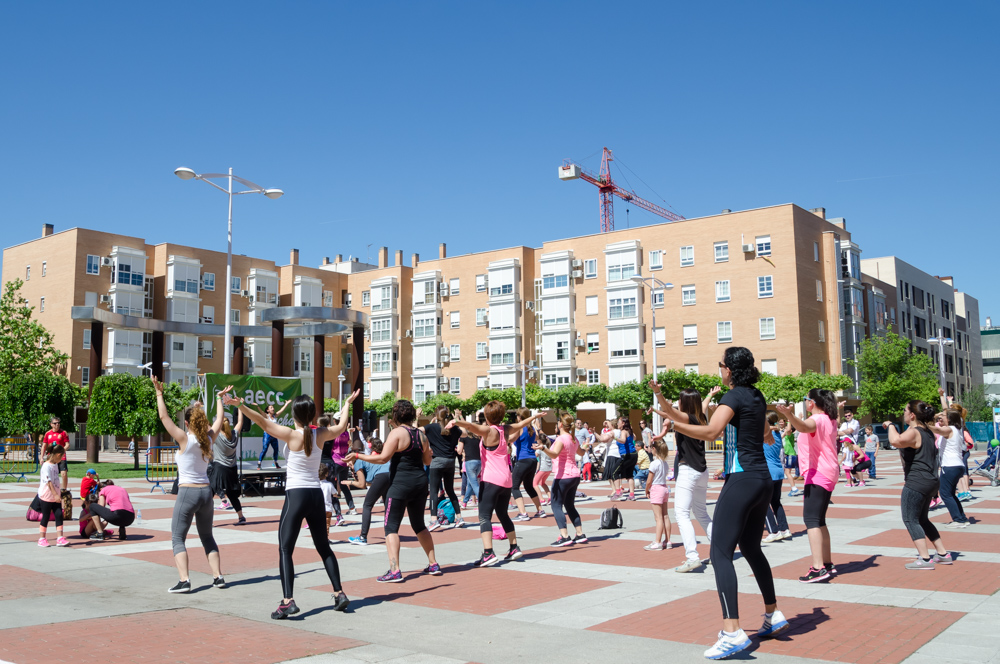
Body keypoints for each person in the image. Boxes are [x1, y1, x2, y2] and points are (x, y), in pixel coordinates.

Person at [653, 347, 787, 659]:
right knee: (751, 548)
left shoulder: (733, 396)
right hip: (763, 480)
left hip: (742, 479)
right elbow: (766, 432)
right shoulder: (755, 395)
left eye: (720, 365)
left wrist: (675, 426)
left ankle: (732, 632)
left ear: (729, 369)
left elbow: (712, 432)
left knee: (720, 553)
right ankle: (773, 613)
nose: (719, 370)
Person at [228, 390, 355, 615]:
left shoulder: (290, 434)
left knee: (286, 548)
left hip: (296, 495)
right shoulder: (320, 434)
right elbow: (343, 425)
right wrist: (346, 404)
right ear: (312, 415)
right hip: (316, 495)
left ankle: (288, 601)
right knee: (323, 547)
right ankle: (339, 593)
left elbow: (262, 422)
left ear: (294, 415)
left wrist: (240, 405)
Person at [345, 399, 441, 582]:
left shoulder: (397, 433)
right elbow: (427, 461)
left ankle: (395, 570)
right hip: (420, 483)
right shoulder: (421, 435)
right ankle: (433, 563)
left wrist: (357, 455)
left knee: (391, 527)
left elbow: (383, 458)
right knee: (419, 525)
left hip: (400, 485)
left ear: (396, 415)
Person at [154, 377, 229, 593]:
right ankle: (218, 577)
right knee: (207, 536)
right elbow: (219, 418)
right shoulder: (208, 438)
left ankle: (184, 580)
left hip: (188, 492)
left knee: (178, 537)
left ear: (186, 423)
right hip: (206, 493)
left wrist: (159, 393)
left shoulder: (184, 439)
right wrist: (219, 399)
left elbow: (164, 417)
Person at [451, 404, 544, 567]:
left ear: (487, 417)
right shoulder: (505, 429)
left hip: (491, 480)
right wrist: (535, 417)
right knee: (503, 514)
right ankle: (514, 547)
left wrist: (455, 421)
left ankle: (488, 553)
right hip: (506, 481)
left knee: (484, 516)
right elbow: (521, 424)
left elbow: (470, 426)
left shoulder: (488, 431)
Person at [775, 389, 840, 583]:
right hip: (827, 472)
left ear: (812, 402)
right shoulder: (829, 419)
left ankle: (818, 568)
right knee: (819, 520)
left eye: (806, 399)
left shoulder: (818, 419)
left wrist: (789, 415)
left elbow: (804, 427)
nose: (805, 402)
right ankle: (827, 563)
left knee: (811, 520)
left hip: (819, 473)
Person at [651, 387, 714, 574]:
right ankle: (720, 551)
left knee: (682, 514)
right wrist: (710, 395)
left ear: (684, 403)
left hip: (688, 471)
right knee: (701, 513)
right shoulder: (701, 417)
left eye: (680, 399)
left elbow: (669, 411)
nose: (678, 402)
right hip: (702, 471)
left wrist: (658, 393)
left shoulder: (686, 418)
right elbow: (701, 406)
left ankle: (692, 557)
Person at [885, 401, 953, 569]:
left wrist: (891, 425)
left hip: (917, 482)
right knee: (922, 519)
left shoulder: (916, 432)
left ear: (912, 415)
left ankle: (925, 559)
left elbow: (895, 441)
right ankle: (943, 554)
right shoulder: (927, 431)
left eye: (905, 410)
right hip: (930, 481)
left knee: (910, 519)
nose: (903, 413)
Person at [534, 414, 586, 546]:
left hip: (563, 476)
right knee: (570, 505)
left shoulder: (561, 439)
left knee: (556, 505)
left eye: (557, 423)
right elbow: (581, 453)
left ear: (561, 425)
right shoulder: (572, 438)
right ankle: (580, 534)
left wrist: (543, 448)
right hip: (574, 476)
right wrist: (586, 447)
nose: (556, 425)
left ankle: (564, 536)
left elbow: (554, 454)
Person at [422, 407, 467, 530]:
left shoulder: (431, 427)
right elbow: (465, 433)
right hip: (450, 462)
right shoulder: (454, 428)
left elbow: (415, 430)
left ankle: (434, 520)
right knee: (450, 490)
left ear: (436, 416)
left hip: (437, 461)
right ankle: (459, 517)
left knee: (434, 491)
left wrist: (417, 418)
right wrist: (457, 419)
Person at [930, 407, 969, 529]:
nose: (940, 417)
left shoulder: (950, 429)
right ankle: (962, 518)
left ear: (950, 418)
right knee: (950, 494)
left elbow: (937, 429)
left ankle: (958, 520)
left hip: (950, 466)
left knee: (945, 493)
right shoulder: (957, 429)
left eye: (943, 415)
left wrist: (923, 424)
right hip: (956, 465)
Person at [347, 437, 391, 546]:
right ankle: (389, 534)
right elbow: (373, 483)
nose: (347, 464)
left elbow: (362, 484)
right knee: (387, 505)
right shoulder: (378, 457)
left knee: (367, 505)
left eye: (348, 462)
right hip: (390, 474)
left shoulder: (359, 462)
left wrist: (350, 482)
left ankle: (363, 537)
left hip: (381, 476)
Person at [508, 408, 545, 522]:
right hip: (533, 460)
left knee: (514, 486)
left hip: (523, 460)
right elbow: (537, 438)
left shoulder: (520, 428)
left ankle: (523, 513)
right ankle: (540, 510)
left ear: (519, 417)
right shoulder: (532, 428)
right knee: (528, 486)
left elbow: (510, 439)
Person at [210, 410, 246, 526]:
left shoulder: (216, 436)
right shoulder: (234, 435)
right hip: (231, 469)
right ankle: (241, 517)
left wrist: (198, 409)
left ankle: (207, 520)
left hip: (219, 468)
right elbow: (240, 422)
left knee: (210, 493)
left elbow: (205, 424)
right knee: (232, 495)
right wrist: (240, 408)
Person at [762, 412, 791, 543]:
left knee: (763, 503)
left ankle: (773, 531)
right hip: (778, 471)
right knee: (776, 502)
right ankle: (784, 529)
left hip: (768, 472)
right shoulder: (777, 434)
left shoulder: (765, 434)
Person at [643, 439, 673, 550]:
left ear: (654, 449)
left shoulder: (654, 463)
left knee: (658, 517)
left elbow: (649, 480)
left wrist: (647, 490)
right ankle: (668, 540)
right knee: (665, 515)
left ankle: (657, 542)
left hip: (656, 488)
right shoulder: (665, 463)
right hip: (664, 488)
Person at [36, 444, 68, 548]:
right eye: (62, 456)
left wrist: (59, 493)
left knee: (59, 515)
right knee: (46, 516)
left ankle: (60, 538)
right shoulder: (46, 466)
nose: (62, 459)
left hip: (56, 496)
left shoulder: (55, 465)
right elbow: (48, 482)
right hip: (47, 495)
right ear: (58, 455)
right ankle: (42, 539)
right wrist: (55, 495)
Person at [257, 401, 289, 470]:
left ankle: (275, 462)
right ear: (268, 410)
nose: (273, 409)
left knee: (276, 449)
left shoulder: (274, 416)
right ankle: (259, 463)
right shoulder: (266, 416)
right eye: (271, 408)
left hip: (274, 435)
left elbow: (281, 410)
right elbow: (262, 412)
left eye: (273, 407)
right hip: (267, 435)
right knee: (265, 449)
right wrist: (257, 406)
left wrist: (286, 404)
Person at [42, 417, 70, 492]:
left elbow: (67, 445)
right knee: (51, 474)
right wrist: (41, 457)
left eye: (58, 423)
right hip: (51, 457)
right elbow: (44, 446)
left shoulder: (63, 433)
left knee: (64, 473)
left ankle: (64, 490)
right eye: (55, 423)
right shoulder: (48, 433)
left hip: (61, 456)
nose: (57, 424)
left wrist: (61, 451)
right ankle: (51, 489)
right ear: (51, 424)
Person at [459, 420, 482, 509]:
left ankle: (482, 502)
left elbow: (459, 451)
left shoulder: (464, 437)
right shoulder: (478, 438)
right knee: (470, 483)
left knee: (474, 483)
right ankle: (465, 502)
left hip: (469, 462)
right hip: (479, 462)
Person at [782, 422, 800, 497]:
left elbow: (789, 429)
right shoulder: (787, 436)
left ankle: (794, 488)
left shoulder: (790, 435)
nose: (785, 429)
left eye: (786, 428)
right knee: (787, 472)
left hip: (791, 455)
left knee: (787, 472)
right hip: (790, 455)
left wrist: (789, 420)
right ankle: (793, 487)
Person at [533, 438, 553, 505]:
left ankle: (541, 499)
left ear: (540, 441)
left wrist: (534, 449)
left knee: (534, 483)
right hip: (549, 468)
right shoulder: (547, 447)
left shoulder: (540, 448)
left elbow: (536, 455)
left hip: (543, 468)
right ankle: (550, 498)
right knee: (542, 483)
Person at [319, 464, 337, 539]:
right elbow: (335, 493)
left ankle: (318, 538)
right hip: (328, 508)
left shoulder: (316, 484)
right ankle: (325, 539)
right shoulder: (329, 484)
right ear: (326, 474)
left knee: (318, 525)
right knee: (327, 525)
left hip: (318, 508)